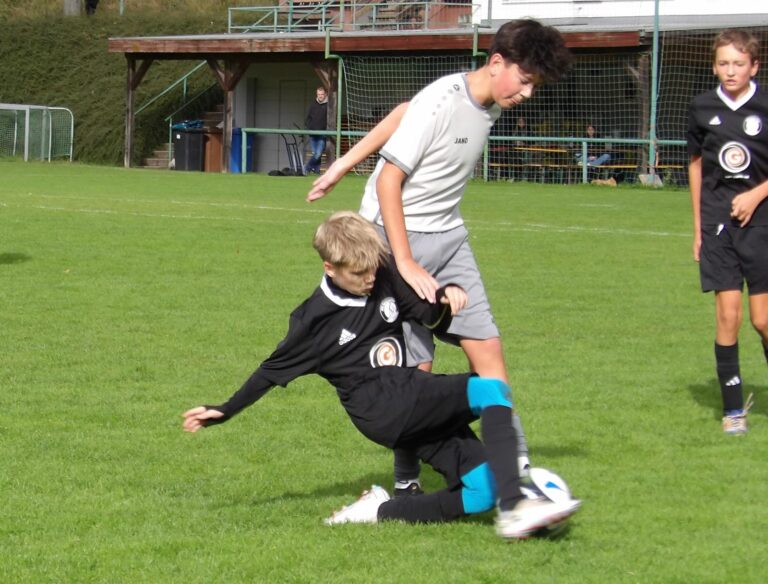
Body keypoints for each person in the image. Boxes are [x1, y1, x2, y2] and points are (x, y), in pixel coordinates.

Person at [182, 211, 580, 539]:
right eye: (358, 273)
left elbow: (424, 314)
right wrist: (224, 410)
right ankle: (515, 507)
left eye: (372, 269)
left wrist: (445, 298)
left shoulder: (382, 271)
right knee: (490, 390)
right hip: (382, 405)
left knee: (480, 491)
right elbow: (268, 373)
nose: (369, 279)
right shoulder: (311, 322)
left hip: (406, 400)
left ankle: (379, 511)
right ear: (330, 267)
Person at [306, 19, 572, 493]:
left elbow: (402, 111)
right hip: (392, 237)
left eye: (536, 84)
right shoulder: (444, 100)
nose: (528, 93)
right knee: (417, 369)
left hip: (449, 236)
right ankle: (407, 480)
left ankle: (514, 466)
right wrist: (404, 264)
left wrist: (343, 164)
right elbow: (390, 181)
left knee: (487, 348)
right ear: (496, 63)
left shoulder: (487, 100)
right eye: (526, 80)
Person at [687, 28, 768, 434]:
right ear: (714, 65)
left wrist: (756, 196)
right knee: (727, 316)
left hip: (763, 221)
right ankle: (733, 410)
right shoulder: (701, 107)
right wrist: (699, 228)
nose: (730, 70)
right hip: (719, 224)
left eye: (739, 63)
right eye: (723, 63)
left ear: (754, 66)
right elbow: (696, 165)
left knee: (763, 320)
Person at [304, 86, 328, 174]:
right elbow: (308, 118)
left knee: (317, 154)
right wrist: (309, 126)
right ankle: (317, 171)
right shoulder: (313, 104)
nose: (320, 96)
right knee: (316, 154)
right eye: (318, 94)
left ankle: (306, 168)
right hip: (312, 133)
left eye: (322, 94)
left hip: (322, 134)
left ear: (325, 94)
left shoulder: (329, 105)